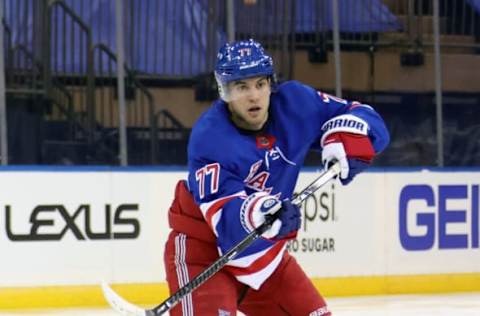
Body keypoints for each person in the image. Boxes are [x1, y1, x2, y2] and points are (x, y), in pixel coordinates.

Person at [164, 39, 390, 315]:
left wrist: (349, 139)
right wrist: (262, 210)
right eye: (241, 87)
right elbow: (227, 222)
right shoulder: (209, 139)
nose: (254, 96)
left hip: (263, 257)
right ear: (224, 91)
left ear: (271, 84)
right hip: (204, 254)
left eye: (260, 84)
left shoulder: (296, 103)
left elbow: (363, 116)